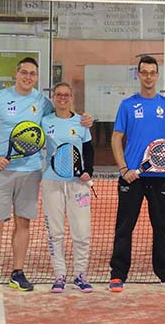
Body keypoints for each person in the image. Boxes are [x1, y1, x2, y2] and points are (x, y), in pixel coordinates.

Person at [0, 57, 92, 294]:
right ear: (16, 73)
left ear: (37, 77)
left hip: (32, 171)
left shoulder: (42, 101)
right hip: (3, 171)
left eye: (32, 74)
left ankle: (18, 272)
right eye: (24, 72)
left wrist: (84, 119)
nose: (28, 77)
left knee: (22, 223)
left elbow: (64, 114)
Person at [108, 55, 165, 292]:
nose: (149, 76)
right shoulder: (127, 105)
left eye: (153, 72)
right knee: (124, 227)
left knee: (161, 226)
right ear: (138, 74)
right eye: (144, 72)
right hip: (132, 177)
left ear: (157, 75)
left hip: (160, 177)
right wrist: (124, 169)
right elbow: (116, 138)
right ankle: (118, 274)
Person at [41, 82, 95, 293]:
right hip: (51, 182)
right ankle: (59, 275)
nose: (62, 98)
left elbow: (88, 150)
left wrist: (88, 171)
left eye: (67, 95)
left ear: (72, 98)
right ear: (53, 97)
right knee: (55, 232)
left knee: (81, 231)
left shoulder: (81, 122)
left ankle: (80, 275)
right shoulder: (44, 121)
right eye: (59, 95)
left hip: (78, 184)